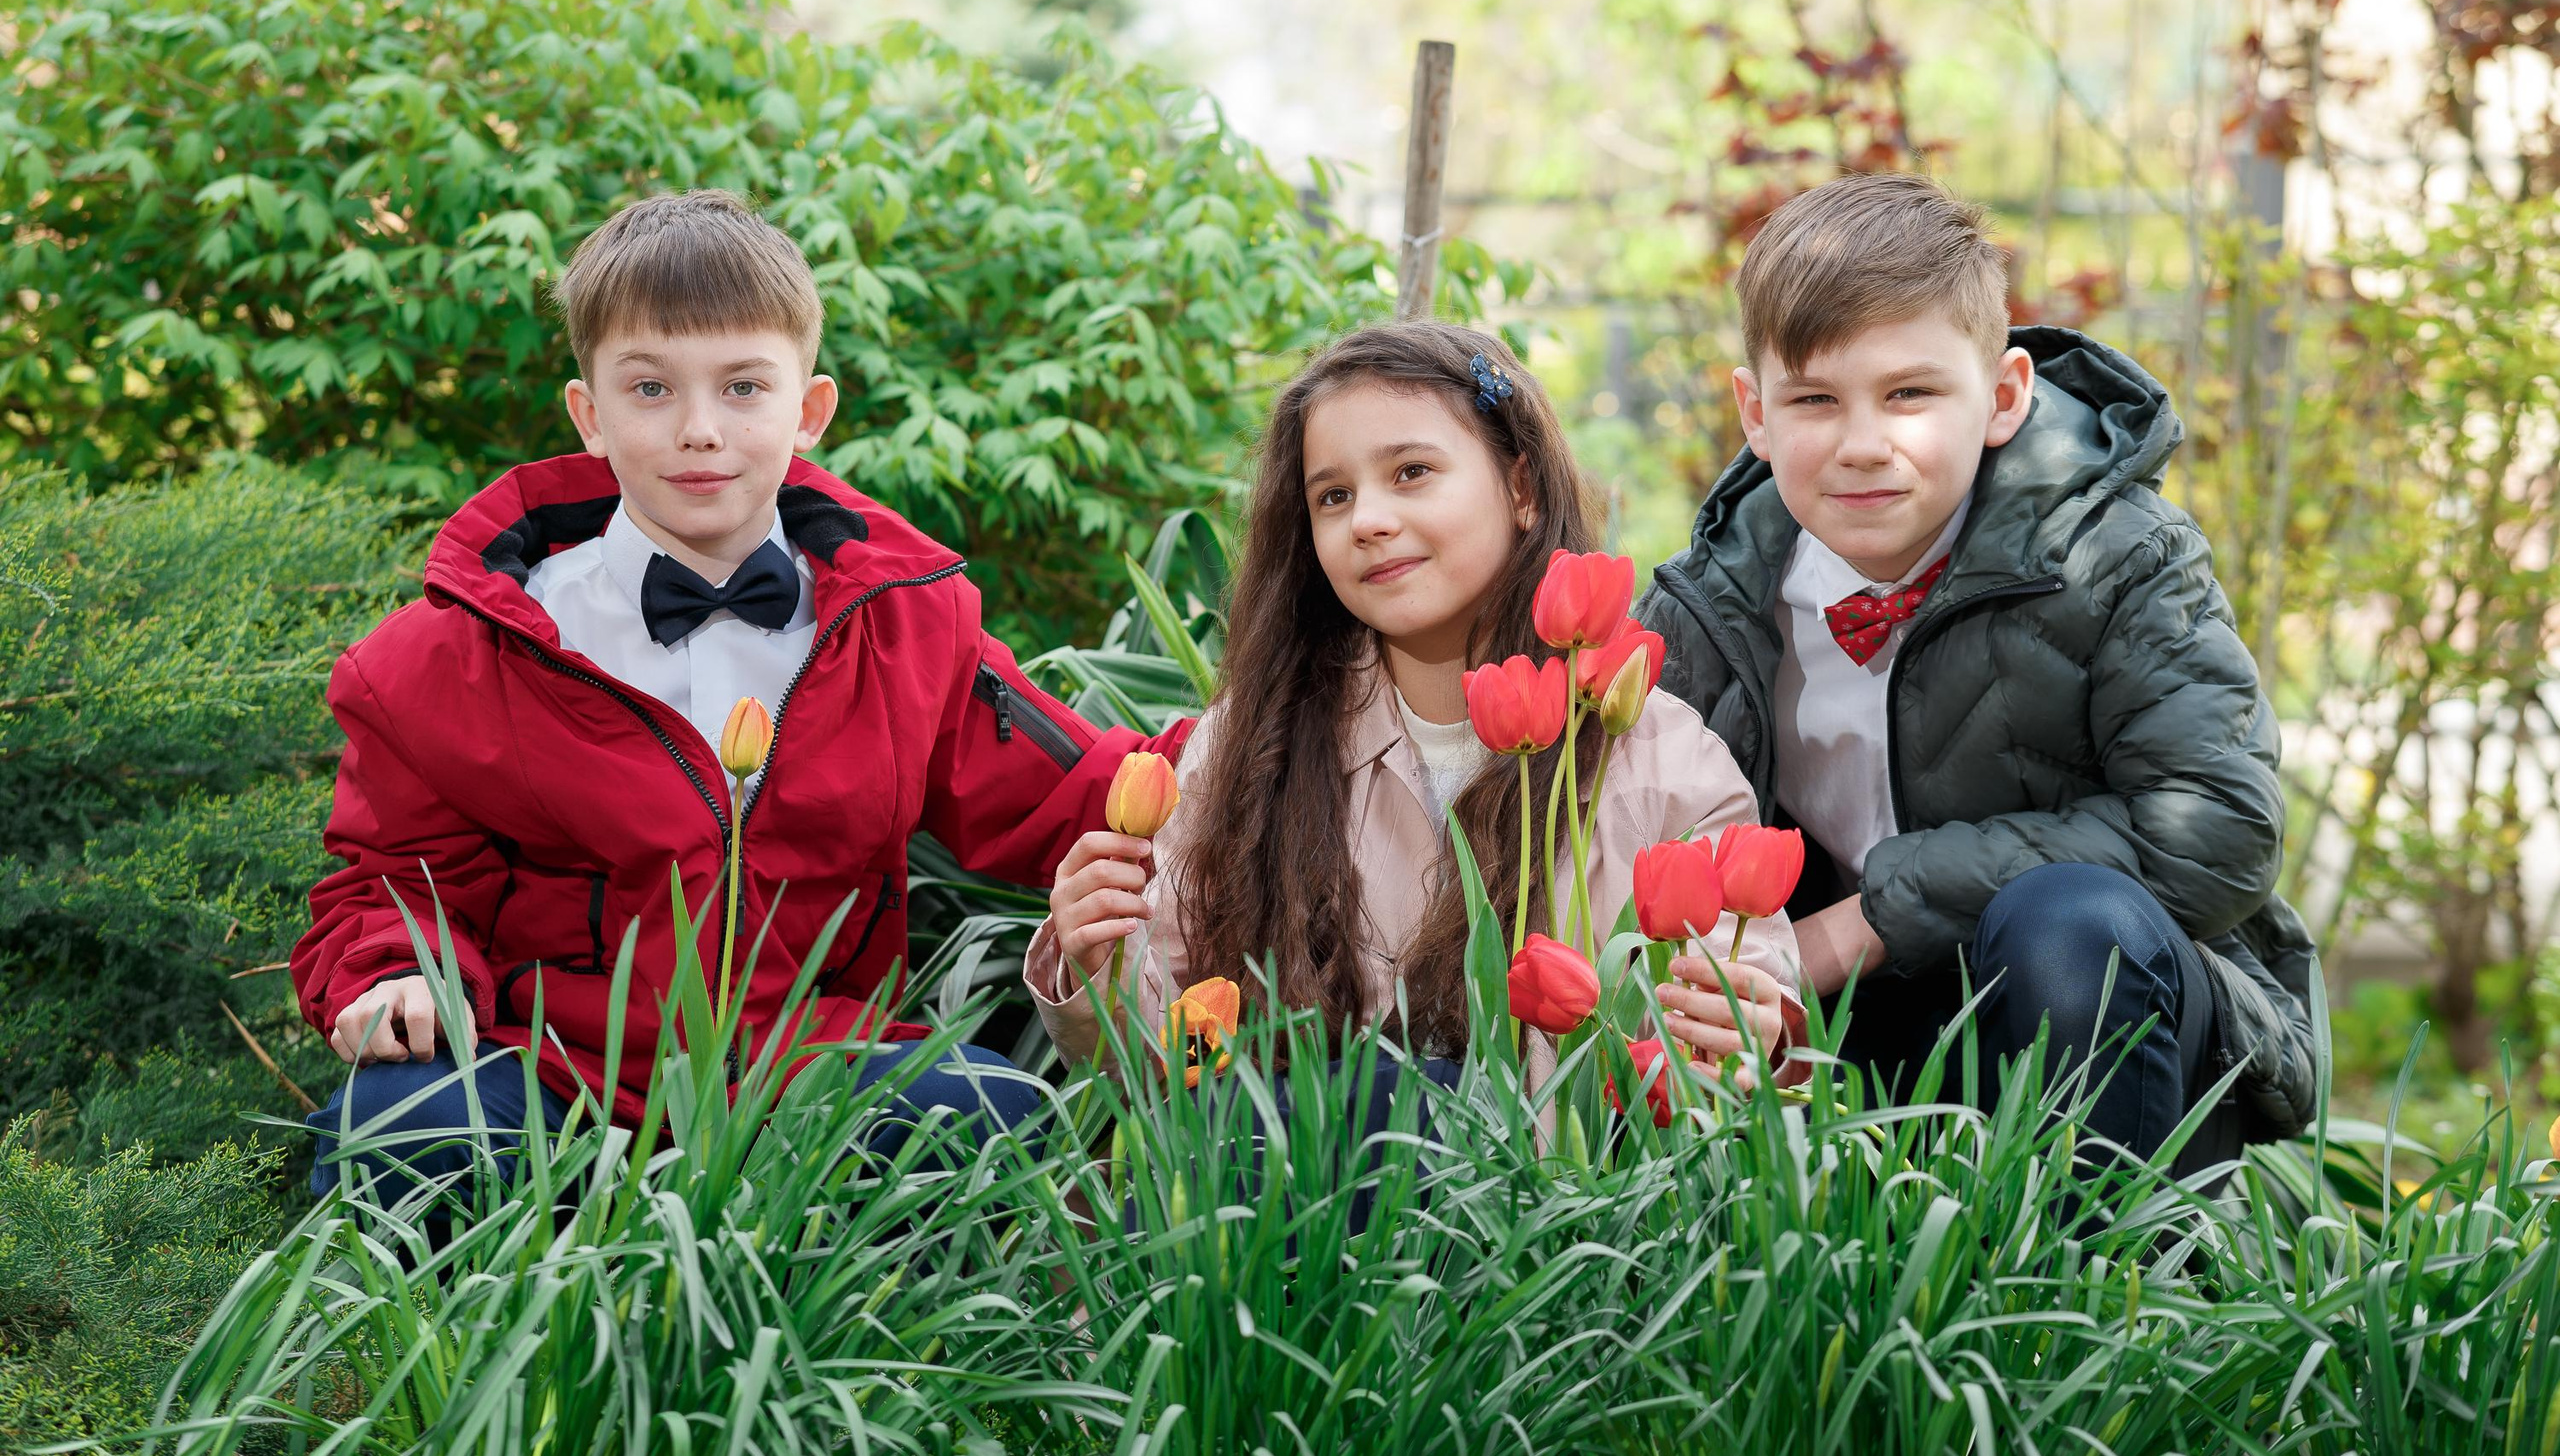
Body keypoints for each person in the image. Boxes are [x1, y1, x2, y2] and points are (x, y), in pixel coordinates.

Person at [293, 189, 1183, 1198]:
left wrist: (1269, 742)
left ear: (808, 412)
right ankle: (472, 1348)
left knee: (982, 1117)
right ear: (591, 415)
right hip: (546, 1067)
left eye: (744, 387)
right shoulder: (454, 655)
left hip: (801, 1061)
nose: (700, 430)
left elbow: (1071, 790)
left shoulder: (902, 625)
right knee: (406, 1121)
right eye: (651, 388)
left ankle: (858, 1354)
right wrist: (389, 970)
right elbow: (392, 874)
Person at [1638, 172, 2322, 1168]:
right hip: (1843, 1053)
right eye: (1814, 400)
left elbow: (2216, 832)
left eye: (1909, 393)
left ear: (2002, 395)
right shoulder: (1708, 605)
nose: (1863, 444)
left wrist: (1856, 921)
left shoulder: (2117, 554)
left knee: (2065, 920)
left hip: (2102, 1026)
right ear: (1754, 412)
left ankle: (2086, 1297)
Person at [1030, 320, 1800, 1112]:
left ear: (1522, 489)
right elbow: (1192, 1056)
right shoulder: (1250, 749)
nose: (1366, 518)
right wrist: (1106, 972)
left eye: (1410, 472)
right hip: (1306, 1205)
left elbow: (1749, 1013)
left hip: (1565, 1208)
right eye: (1333, 495)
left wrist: (1749, 1031)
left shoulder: (1656, 760)